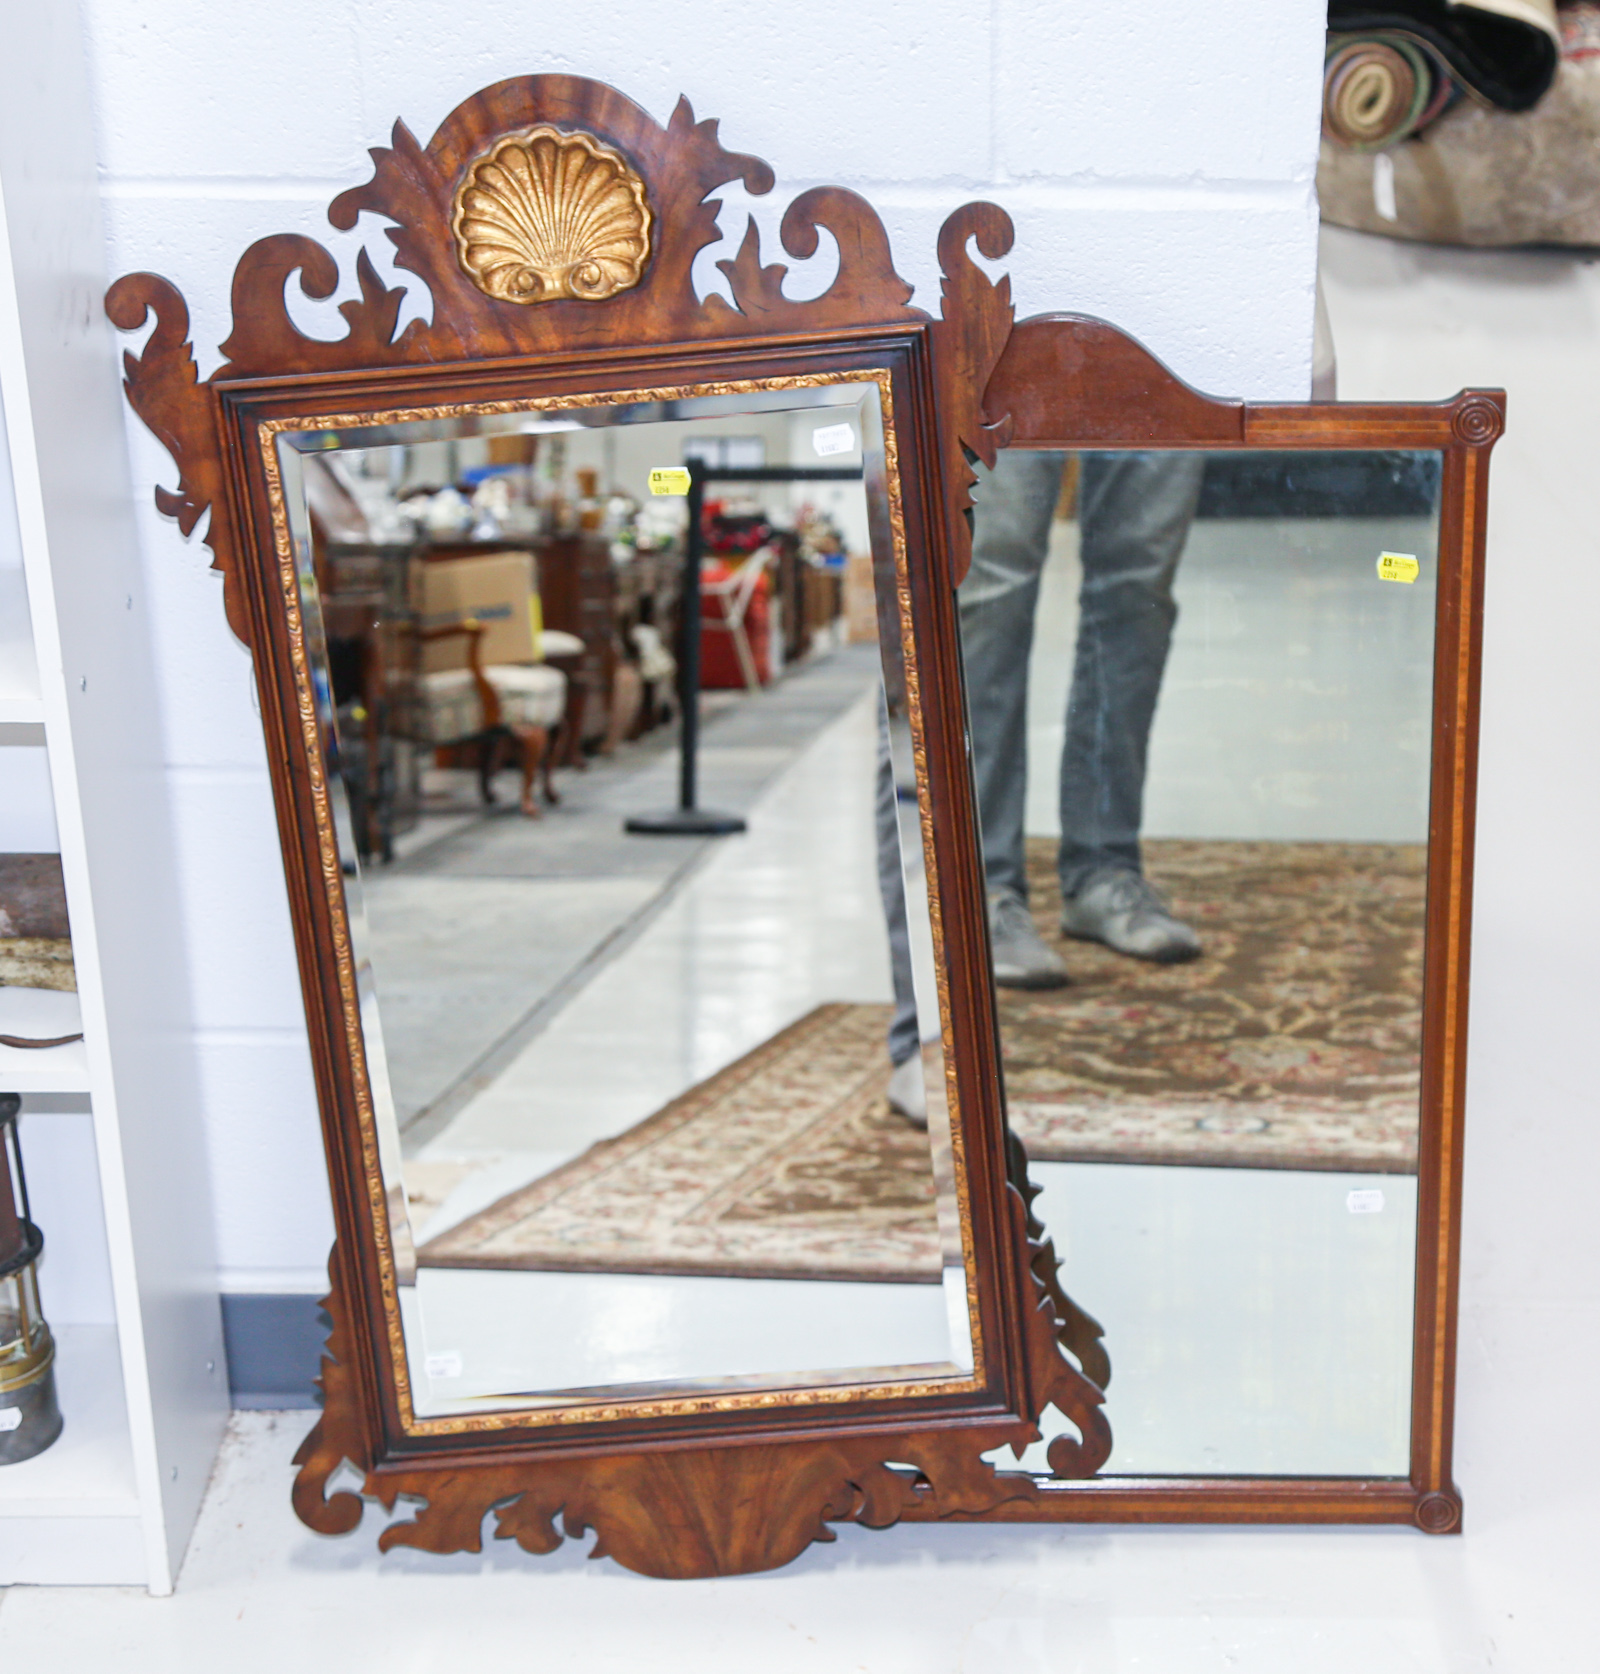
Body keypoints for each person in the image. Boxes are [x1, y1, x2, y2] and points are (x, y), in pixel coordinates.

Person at [960, 449, 1205, 989]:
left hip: (1176, 360)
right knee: (994, 575)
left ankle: (1104, 868)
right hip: (998, 361)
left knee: (1140, 584)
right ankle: (982, 887)